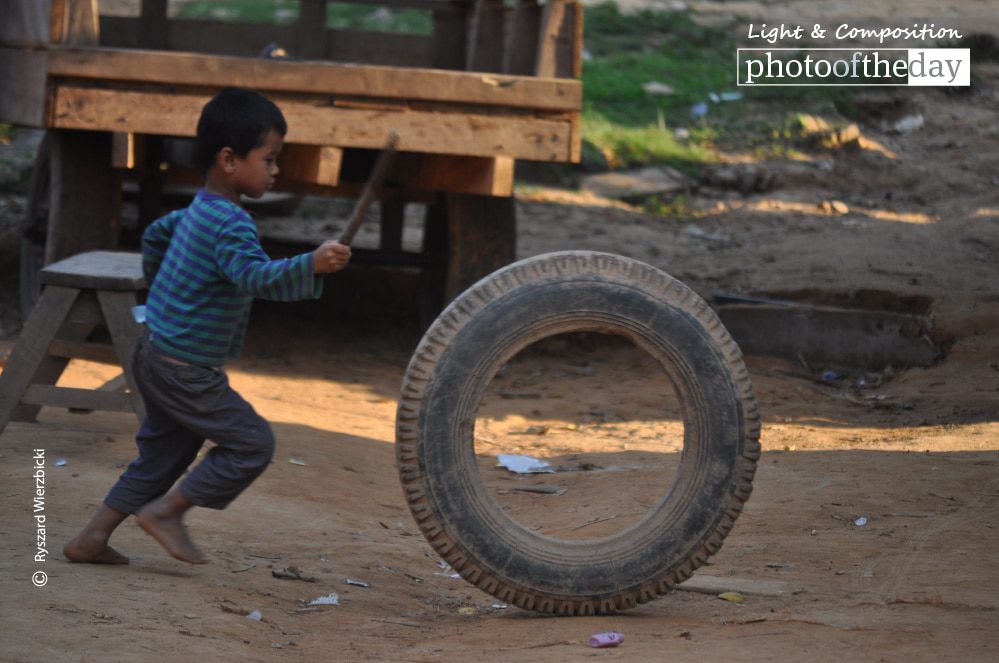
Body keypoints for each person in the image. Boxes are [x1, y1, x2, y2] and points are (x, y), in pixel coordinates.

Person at [63, 87, 351, 565]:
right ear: (229, 160)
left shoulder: (199, 207)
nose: (276, 171)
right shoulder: (232, 223)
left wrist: (164, 293)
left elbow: (155, 235)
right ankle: (167, 513)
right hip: (185, 369)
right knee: (252, 444)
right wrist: (312, 264)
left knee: (163, 457)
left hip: (155, 349)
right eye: (270, 159)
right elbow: (255, 276)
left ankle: (91, 539)